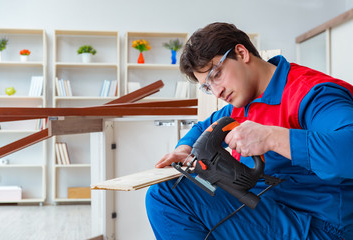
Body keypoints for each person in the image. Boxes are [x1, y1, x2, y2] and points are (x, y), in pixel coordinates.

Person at [145, 22, 353, 240]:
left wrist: (273, 137)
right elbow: (202, 128)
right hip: (267, 210)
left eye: (216, 75)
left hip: (320, 227)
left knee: (167, 195)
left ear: (241, 53)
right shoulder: (242, 103)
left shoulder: (313, 94)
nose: (216, 92)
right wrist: (184, 149)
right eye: (207, 86)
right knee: (173, 192)